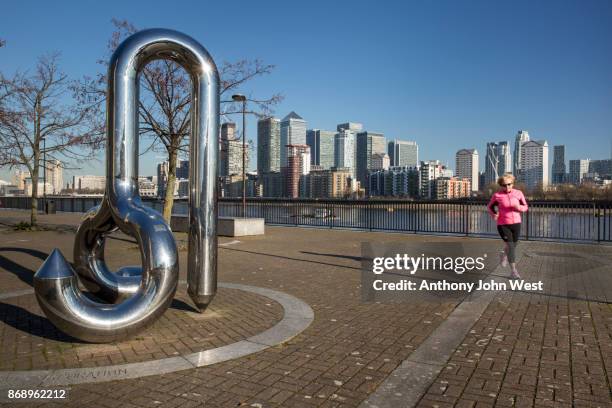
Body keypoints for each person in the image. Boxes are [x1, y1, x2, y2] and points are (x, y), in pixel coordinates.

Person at [487, 173, 528, 279]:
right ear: (501, 185)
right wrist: (494, 215)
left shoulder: (518, 193)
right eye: (504, 185)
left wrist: (518, 207)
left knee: (513, 245)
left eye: (509, 184)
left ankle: (503, 254)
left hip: (516, 223)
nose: (507, 187)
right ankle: (513, 271)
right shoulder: (497, 195)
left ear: (513, 183)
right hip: (503, 224)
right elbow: (490, 207)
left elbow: (525, 207)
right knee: (511, 247)